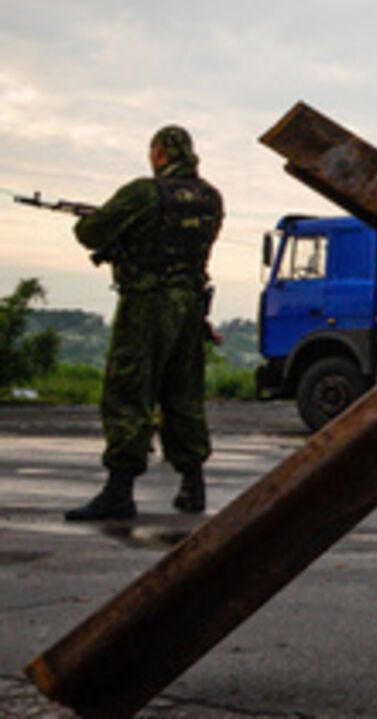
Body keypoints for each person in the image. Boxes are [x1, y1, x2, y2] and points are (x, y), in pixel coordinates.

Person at [64, 125, 224, 521]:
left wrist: (106, 224)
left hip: (147, 303)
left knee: (128, 389)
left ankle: (119, 490)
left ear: (159, 152)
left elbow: (89, 232)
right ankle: (193, 485)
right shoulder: (210, 198)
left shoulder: (144, 192)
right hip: (189, 306)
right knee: (183, 393)